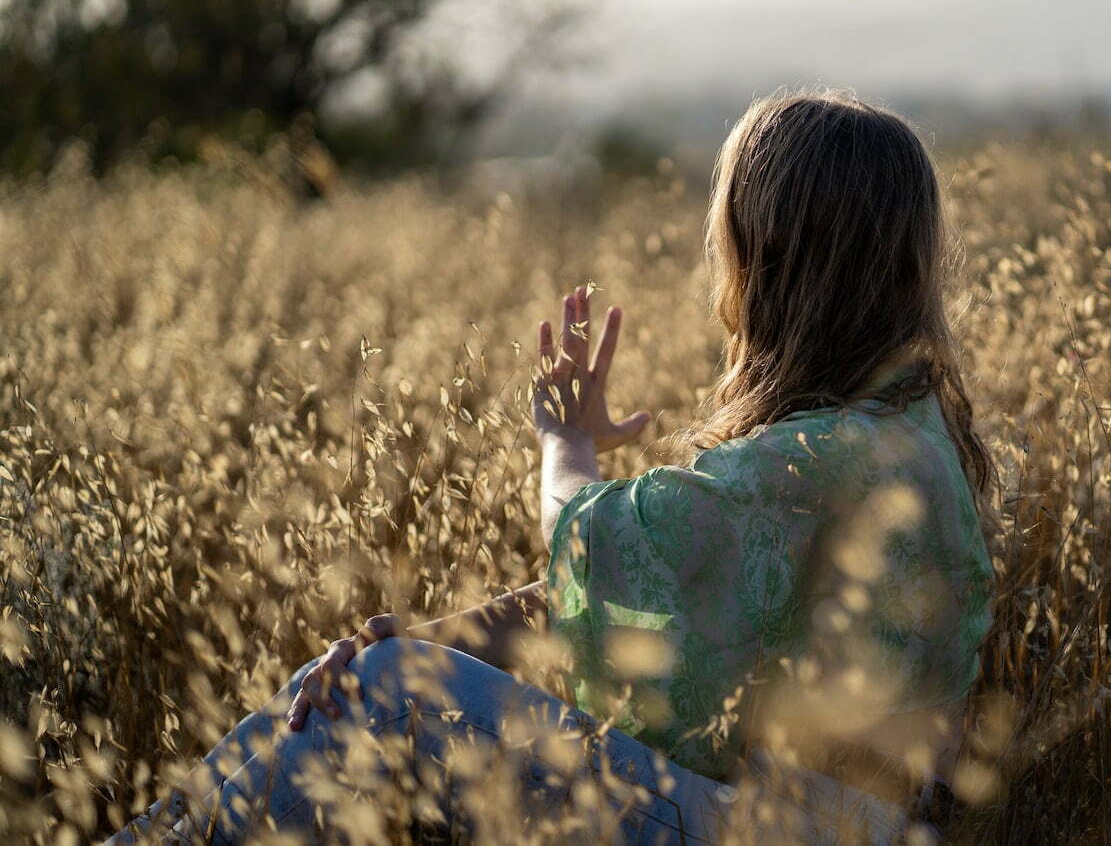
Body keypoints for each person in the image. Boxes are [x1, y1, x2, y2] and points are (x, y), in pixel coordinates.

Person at [109, 90, 996, 844]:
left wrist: (565, 444)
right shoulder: (898, 431)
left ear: (772, 262)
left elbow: (587, 546)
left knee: (375, 694)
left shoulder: (823, 461)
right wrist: (428, 644)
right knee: (352, 678)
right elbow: (603, 606)